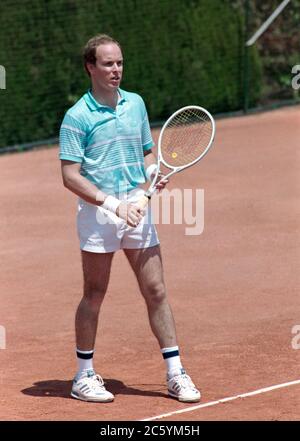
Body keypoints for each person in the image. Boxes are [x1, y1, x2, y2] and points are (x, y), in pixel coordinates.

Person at [59, 34, 200, 403]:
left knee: (156, 290)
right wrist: (113, 205)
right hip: (98, 215)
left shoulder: (135, 104)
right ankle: (83, 377)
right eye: (108, 64)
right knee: (94, 294)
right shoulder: (77, 116)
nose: (116, 69)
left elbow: (147, 152)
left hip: (138, 207)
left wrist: (152, 177)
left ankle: (175, 373)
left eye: (119, 62)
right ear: (91, 67)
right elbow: (70, 175)